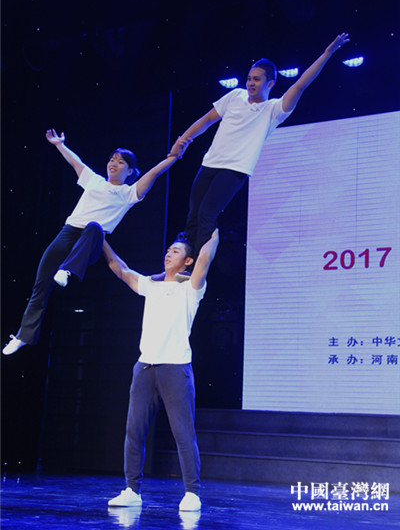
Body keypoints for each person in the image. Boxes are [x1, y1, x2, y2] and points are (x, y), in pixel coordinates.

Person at [2, 129, 191, 356]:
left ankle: (68, 270)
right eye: (112, 159)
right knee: (41, 285)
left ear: (130, 171)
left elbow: (154, 173)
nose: (113, 164)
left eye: (120, 162)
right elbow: (76, 162)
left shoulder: (129, 193)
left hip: (92, 240)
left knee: (94, 226)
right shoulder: (95, 181)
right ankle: (23, 336)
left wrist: (173, 157)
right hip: (68, 233)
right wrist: (59, 144)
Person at [169, 33, 350, 258]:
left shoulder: (273, 110)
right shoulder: (235, 96)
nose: (250, 83)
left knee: (207, 215)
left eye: (256, 79)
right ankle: (182, 265)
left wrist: (327, 54)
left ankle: (198, 269)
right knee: (193, 216)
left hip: (234, 169)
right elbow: (206, 120)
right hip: (210, 163)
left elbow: (300, 85)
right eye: (249, 78)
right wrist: (182, 141)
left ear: (270, 83)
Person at [104, 228, 219, 512]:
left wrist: (212, 228)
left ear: (187, 261)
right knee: (134, 432)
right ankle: (132, 490)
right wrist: (99, 239)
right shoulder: (152, 284)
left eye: (175, 251)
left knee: (183, 433)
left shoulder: (190, 288)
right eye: (168, 250)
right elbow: (120, 269)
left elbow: (205, 257)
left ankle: (192, 493)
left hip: (175, 368)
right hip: (145, 367)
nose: (168, 253)